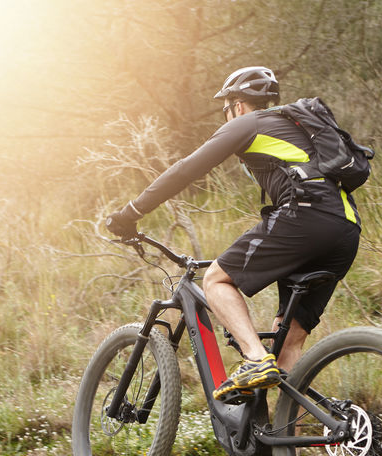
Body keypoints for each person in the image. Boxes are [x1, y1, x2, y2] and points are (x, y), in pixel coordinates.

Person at [106, 66, 361, 402]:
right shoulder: (295, 126)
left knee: (215, 280)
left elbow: (185, 170)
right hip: (346, 228)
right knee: (289, 340)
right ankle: (282, 444)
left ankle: (255, 360)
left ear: (238, 105)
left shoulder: (249, 123)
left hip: (306, 215)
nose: (227, 115)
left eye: (227, 108)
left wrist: (131, 213)